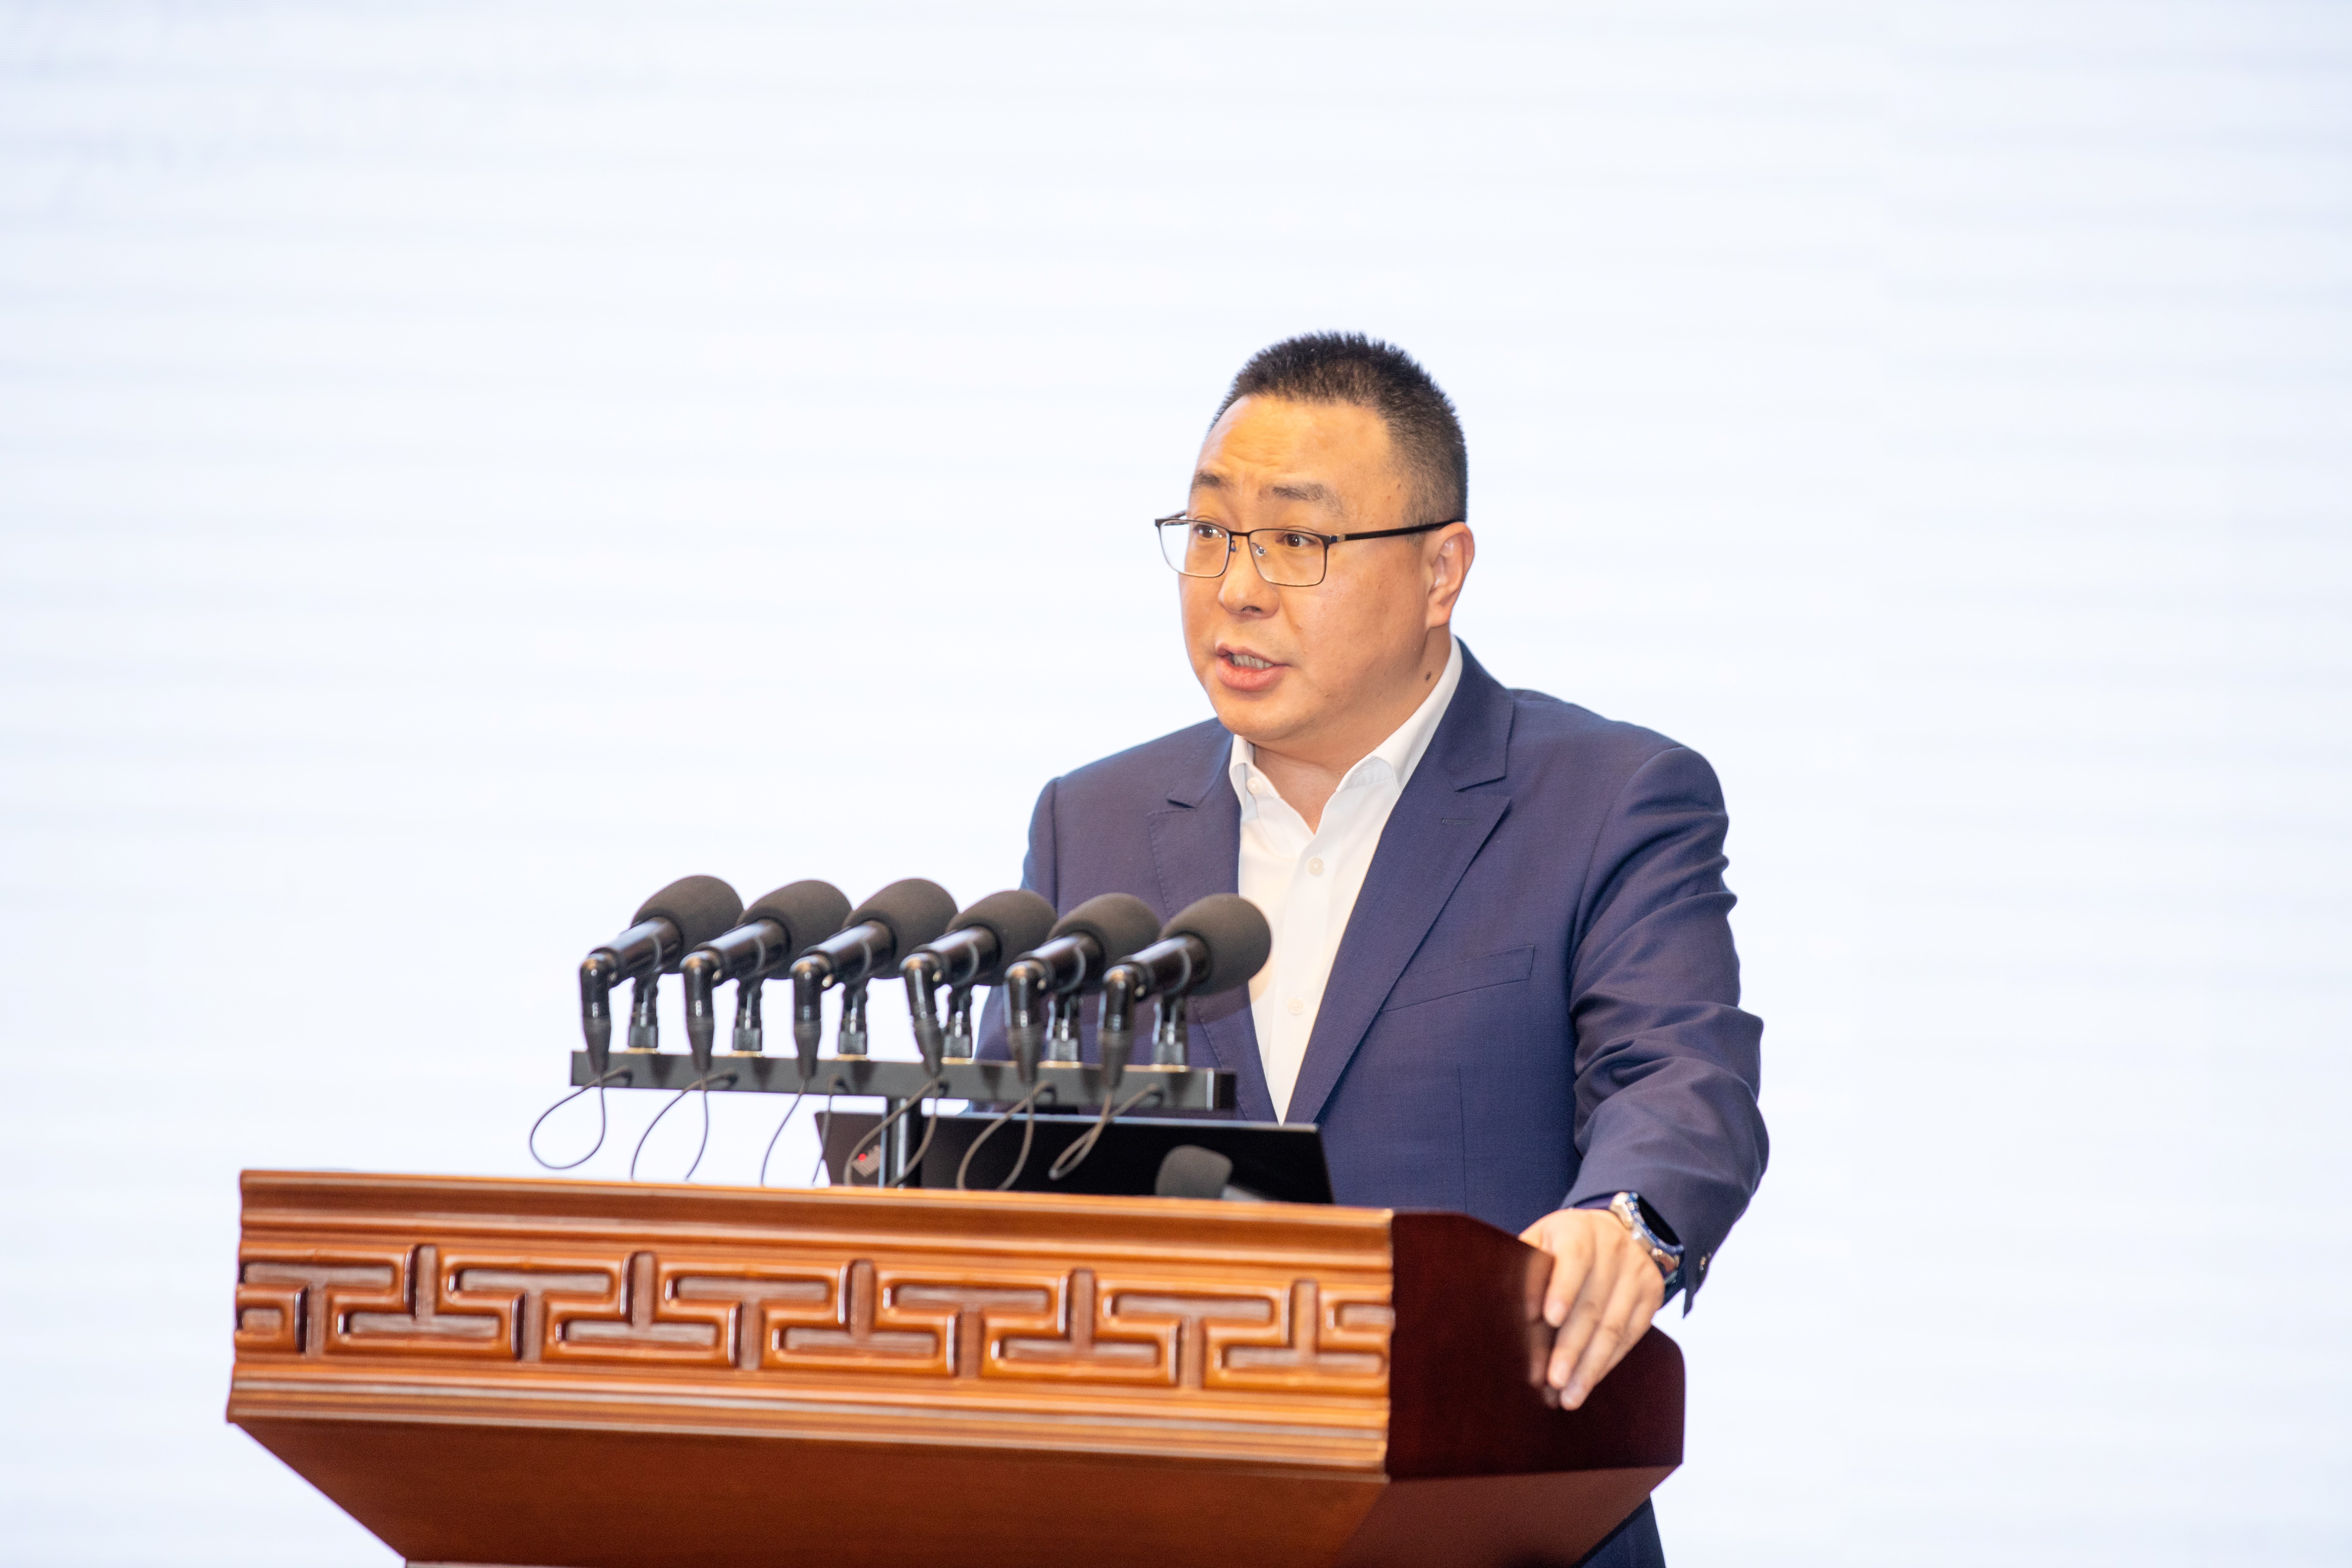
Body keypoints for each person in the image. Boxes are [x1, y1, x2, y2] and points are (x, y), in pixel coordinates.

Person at [992, 332, 1766, 1567]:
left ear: (1441, 571)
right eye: (1210, 532)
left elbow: (1680, 1075)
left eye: (1297, 541)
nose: (1238, 588)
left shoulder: (1609, 800)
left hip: (1495, 1516)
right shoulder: (1095, 823)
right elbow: (1005, 1145)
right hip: (1164, 1516)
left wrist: (1624, 1223)